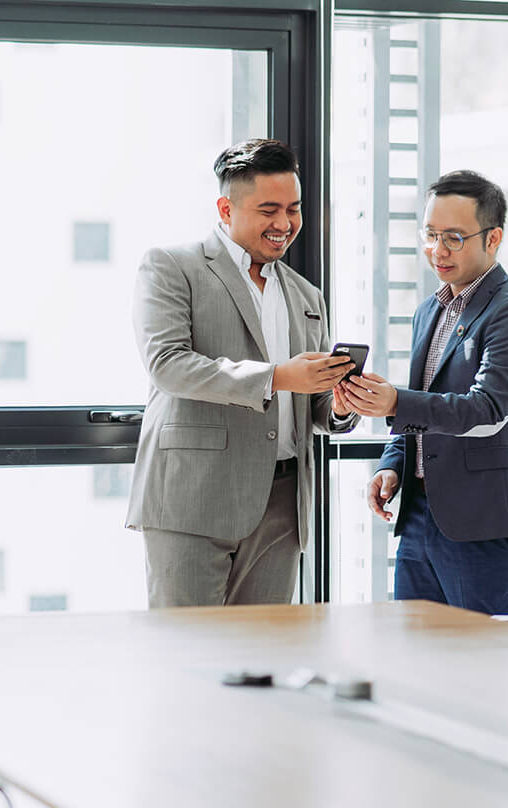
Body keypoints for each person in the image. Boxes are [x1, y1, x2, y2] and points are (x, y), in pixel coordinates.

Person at [125, 138, 357, 608]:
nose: (285, 223)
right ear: (225, 208)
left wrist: (338, 404)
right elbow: (168, 365)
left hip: (284, 503)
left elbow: (308, 405)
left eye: (293, 209)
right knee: (188, 653)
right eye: (268, 209)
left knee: (264, 658)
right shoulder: (172, 267)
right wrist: (275, 377)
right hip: (194, 495)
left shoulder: (307, 295)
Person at [337, 170, 508, 615]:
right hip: (418, 518)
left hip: (482, 524)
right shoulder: (429, 310)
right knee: (417, 662)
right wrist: (393, 465)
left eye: (453, 237)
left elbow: (487, 410)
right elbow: (423, 406)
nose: (437, 250)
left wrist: (395, 401)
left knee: (483, 669)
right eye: (430, 234)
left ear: (493, 239)